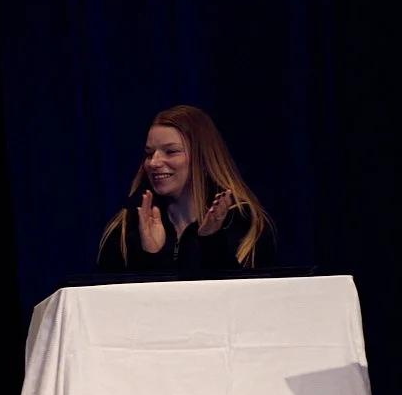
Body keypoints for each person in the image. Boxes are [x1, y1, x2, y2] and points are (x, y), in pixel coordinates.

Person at [95, 105, 276, 280]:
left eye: (171, 151)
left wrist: (211, 243)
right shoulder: (126, 227)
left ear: (203, 158)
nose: (154, 163)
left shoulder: (245, 224)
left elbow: (250, 302)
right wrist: (151, 255)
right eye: (149, 154)